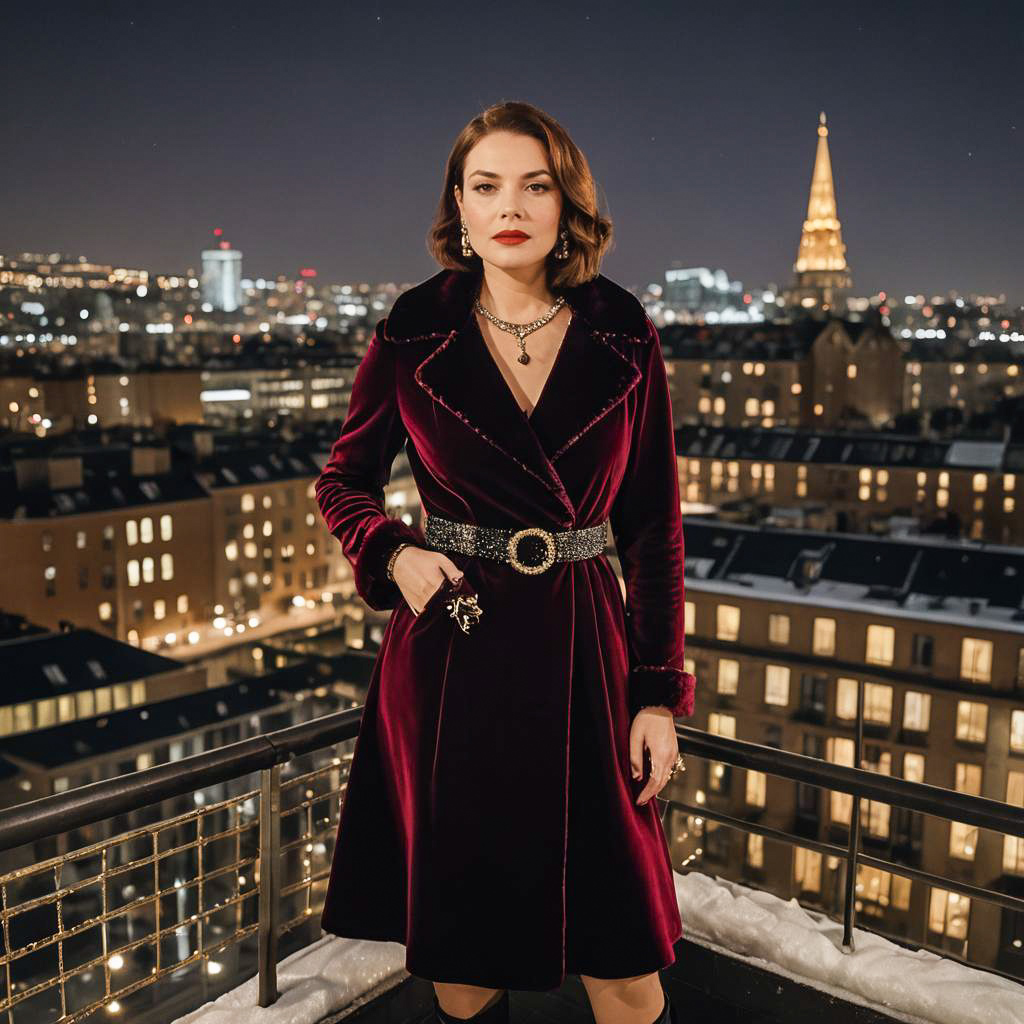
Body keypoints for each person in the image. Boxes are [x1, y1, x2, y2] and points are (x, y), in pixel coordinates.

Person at [316, 100, 696, 1024]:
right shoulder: (414, 328)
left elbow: (653, 526)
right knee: (465, 967)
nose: (510, 206)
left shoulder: (622, 328)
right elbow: (344, 482)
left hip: (585, 657)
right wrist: (394, 554)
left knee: (626, 969)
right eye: (486, 185)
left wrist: (656, 696)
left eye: (535, 185)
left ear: (567, 205)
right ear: (460, 203)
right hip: (455, 648)